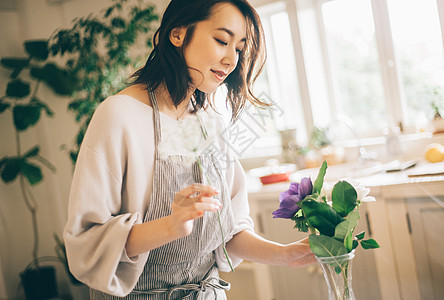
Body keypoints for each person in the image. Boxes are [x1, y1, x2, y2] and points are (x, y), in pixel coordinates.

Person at [64, 0, 316, 299]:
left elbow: (229, 232)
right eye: (222, 40)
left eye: (238, 48)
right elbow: (87, 244)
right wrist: (172, 225)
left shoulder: (209, 121)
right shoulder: (119, 115)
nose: (231, 59)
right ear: (178, 34)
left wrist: (285, 254)